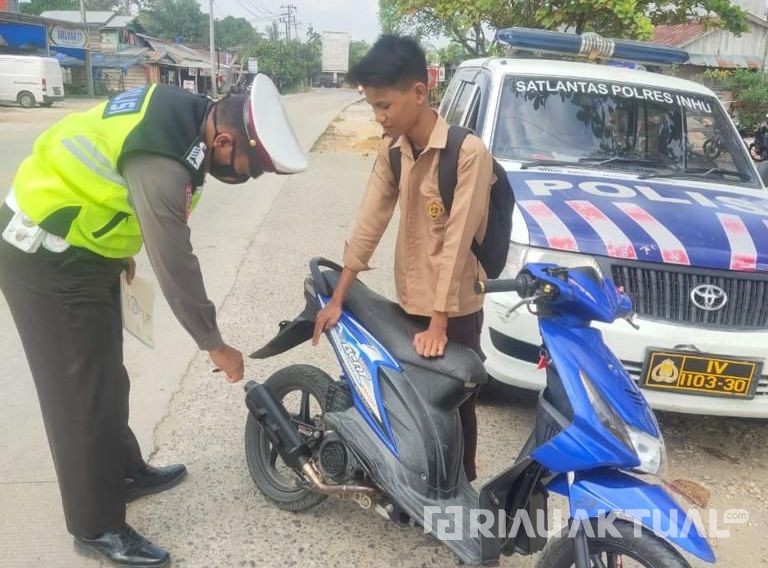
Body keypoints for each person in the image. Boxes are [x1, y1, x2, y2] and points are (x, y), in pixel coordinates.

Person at [0, 74, 307, 567]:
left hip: (83, 246)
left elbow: (114, 184)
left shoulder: (188, 116)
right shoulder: (164, 161)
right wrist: (214, 343)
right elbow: (175, 264)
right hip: (45, 254)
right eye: (249, 169)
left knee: (106, 378)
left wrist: (117, 251)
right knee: (79, 395)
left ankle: (124, 470)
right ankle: (96, 526)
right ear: (224, 142)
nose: (247, 178)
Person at [312, 35, 494, 483]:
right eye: (373, 106)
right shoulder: (392, 150)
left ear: (419, 92)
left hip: (455, 310)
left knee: (456, 401)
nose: (379, 117)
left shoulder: (467, 153)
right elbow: (369, 220)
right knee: (411, 397)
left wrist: (439, 323)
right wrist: (337, 298)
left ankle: (463, 489)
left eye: (385, 105)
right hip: (410, 300)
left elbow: (457, 243)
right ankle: (415, 481)